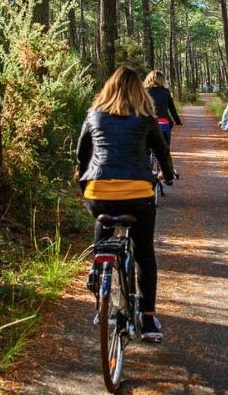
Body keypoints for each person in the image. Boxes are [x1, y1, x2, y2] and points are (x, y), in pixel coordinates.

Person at [76, 66, 175, 343]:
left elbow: (81, 154)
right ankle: (147, 317)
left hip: (98, 192)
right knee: (144, 253)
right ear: (138, 91)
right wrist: (166, 176)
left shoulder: (94, 115)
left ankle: (98, 269)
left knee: (102, 219)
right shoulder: (145, 118)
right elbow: (162, 152)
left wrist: (86, 186)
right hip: (138, 194)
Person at [143, 70, 182, 147]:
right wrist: (177, 121)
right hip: (164, 124)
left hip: (149, 124)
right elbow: (172, 108)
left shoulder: (145, 92)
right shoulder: (166, 92)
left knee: (149, 150)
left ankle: (152, 158)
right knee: (165, 150)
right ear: (162, 80)